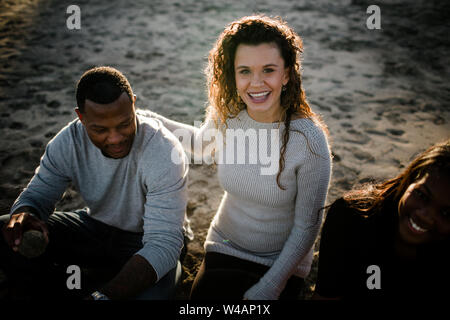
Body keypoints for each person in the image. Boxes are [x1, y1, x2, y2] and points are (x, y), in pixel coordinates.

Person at [146, 15, 332, 300]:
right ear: (232, 75)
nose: (256, 84)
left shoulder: (309, 140)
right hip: (225, 244)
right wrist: (148, 118)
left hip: (283, 261)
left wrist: (272, 285)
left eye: (268, 70)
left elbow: (307, 226)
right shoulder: (229, 113)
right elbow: (201, 143)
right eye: (244, 71)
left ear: (287, 74)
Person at [0, 66, 190, 300]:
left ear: (133, 104)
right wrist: (24, 213)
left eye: (124, 124)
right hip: (94, 228)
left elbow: (164, 244)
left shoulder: (164, 149)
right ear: (81, 117)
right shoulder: (67, 142)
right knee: (7, 231)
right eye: (100, 129)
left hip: (147, 242)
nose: (115, 138)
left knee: (154, 297)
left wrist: (102, 297)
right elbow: (38, 195)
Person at [314, 140, 450, 300]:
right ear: (410, 181)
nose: (425, 216)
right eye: (421, 195)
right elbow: (326, 295)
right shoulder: (351, 217)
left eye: (446, 213)